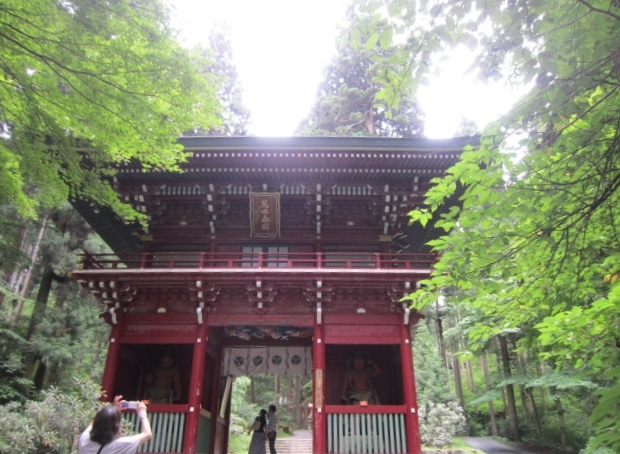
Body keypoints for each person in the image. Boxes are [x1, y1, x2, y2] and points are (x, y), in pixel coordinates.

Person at [78, 395, 152, 454]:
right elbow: (147, 434)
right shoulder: (120, 445)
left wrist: (114, 410)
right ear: (116, 427)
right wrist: (142, 413)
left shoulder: (84, 439)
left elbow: (95, 422)